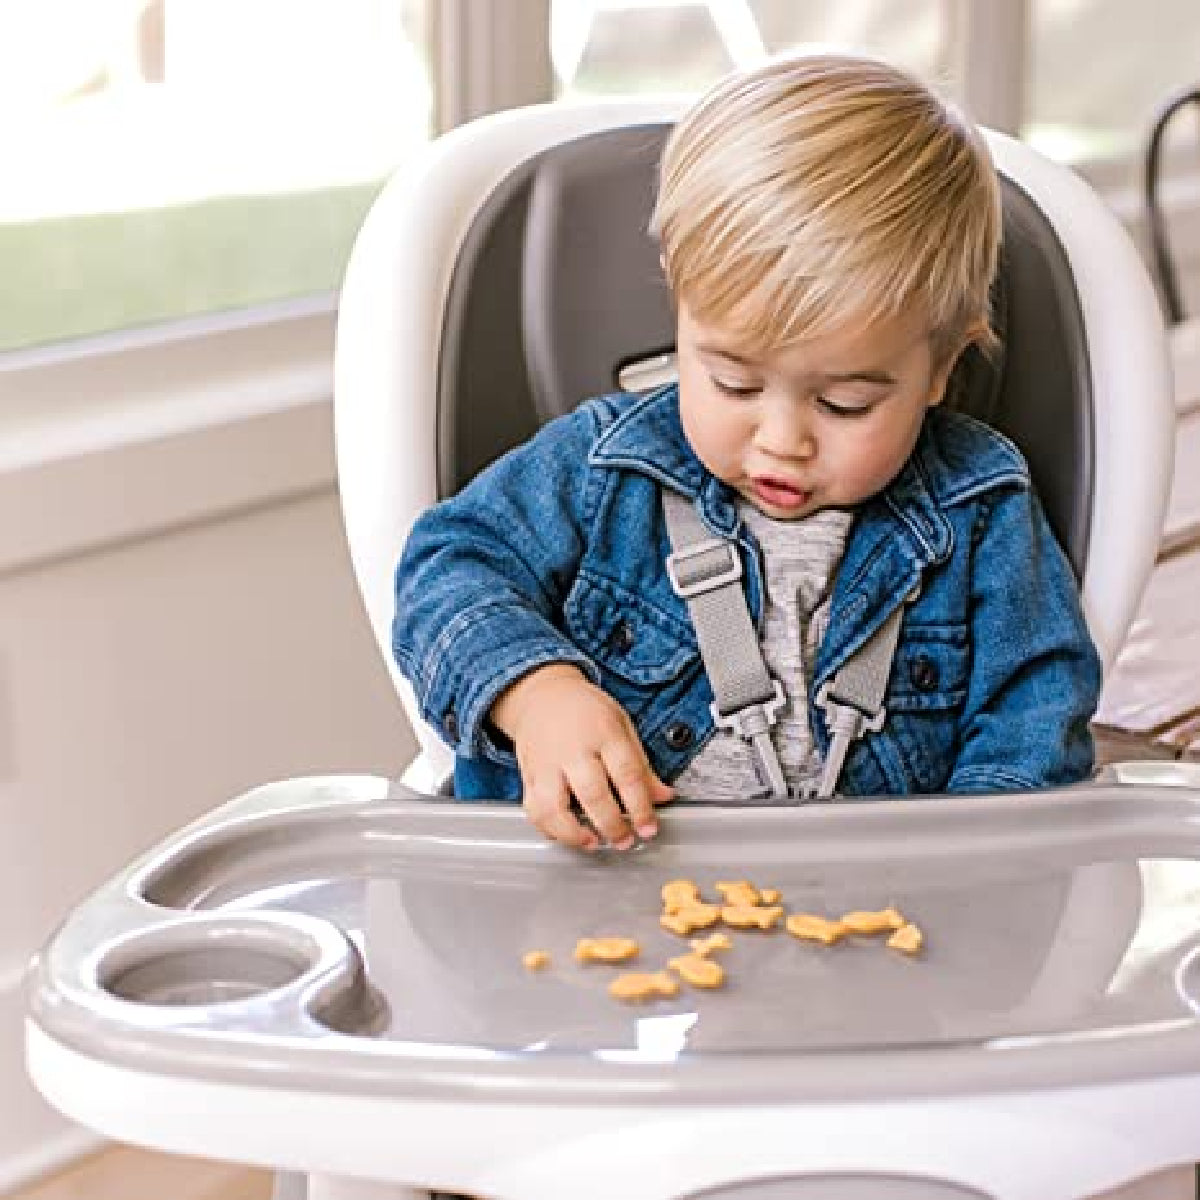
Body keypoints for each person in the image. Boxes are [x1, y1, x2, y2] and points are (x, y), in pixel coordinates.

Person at [392, 51, 1103, 852]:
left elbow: (1036, 719)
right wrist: (536, 693)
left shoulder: (981, 509)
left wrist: (969, 870)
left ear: (943, 365)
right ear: (681, 306)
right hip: (592, 910)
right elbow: (447, 568)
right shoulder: (602, 468)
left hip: (877, 926)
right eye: (733, 383)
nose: (783, 440)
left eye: (846, 403)